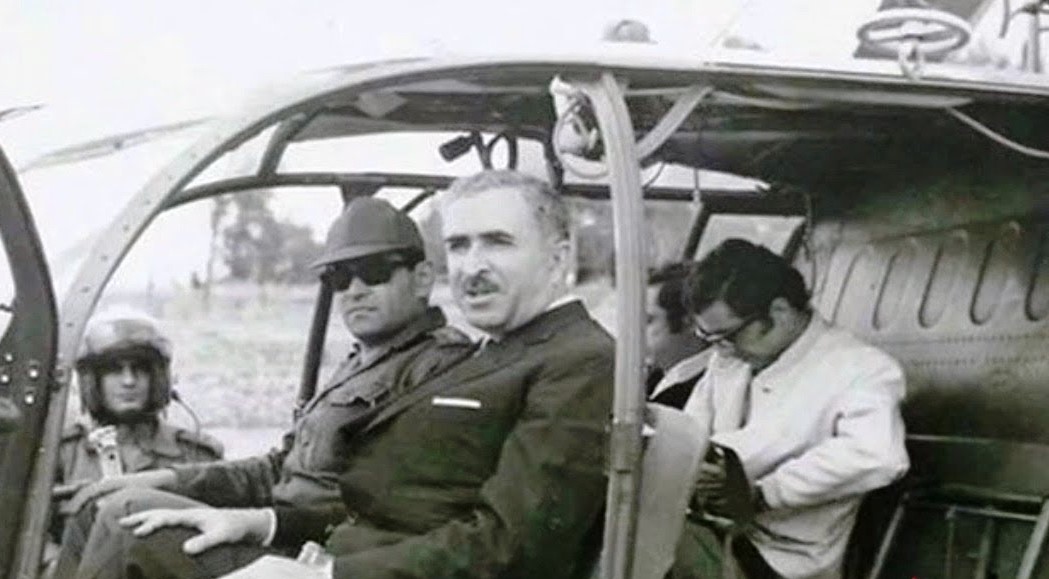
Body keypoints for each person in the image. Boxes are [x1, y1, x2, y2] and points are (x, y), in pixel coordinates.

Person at [74, 169, 615, 579]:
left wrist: (327, 573)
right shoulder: (492, 353)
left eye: (498, 242)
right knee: (113, 512)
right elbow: (371, 496)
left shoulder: (577, 360)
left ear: (557, 257)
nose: (472, 266)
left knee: (127, 526)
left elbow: (513, 549)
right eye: (459, 245)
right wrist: (261, 523)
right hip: (335, 553)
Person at [57, 196, 475, 578]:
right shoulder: (365, 361)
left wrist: (262, 523)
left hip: (316, 557)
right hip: (284, 535)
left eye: (374, 271)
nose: (355, 291)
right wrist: (168, 479)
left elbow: (390, 508)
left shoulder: (437, 368)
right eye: (340, 277)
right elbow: (278, 468)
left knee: (125, 516)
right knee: (99, 505)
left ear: (422, 278)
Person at [669, 238, 909, 579]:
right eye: (709, 338)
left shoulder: (859, 368)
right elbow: (690, 432)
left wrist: (765, 493)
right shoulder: (731, 358)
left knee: (639, 543)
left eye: (728, 336)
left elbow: (879, 455)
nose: (721, 350)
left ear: (779, 312)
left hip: (779, 559)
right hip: (712, 531)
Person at [56, 308, 224, 502]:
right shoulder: (62, 455)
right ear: (93, 381)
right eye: (114, 370)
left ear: (157, 378)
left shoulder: (194, 453)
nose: (129, 381)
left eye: (140, 369)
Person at [645, 262, 709, 409]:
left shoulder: (707, 388)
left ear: (690, 323)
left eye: (648, 320)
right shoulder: (655, 375)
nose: (636, 334)